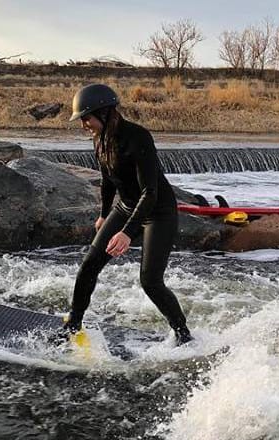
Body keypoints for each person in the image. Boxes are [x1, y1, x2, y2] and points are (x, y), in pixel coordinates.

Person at [60, 83, 193, 346]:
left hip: (158, 212)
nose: (83, 123)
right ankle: (73, 325)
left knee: (150, 281)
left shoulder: (138, 137)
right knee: (89, 266)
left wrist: (127, 233)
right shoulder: (99, 139)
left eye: (86, 117)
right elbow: (108, 179)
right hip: (126, 207)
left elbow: (150, 193)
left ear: (104, 112)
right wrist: (103, 214)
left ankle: (183, 335)